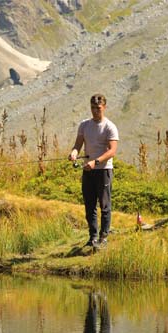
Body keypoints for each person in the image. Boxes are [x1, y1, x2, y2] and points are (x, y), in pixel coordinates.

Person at [69, 94, 119, 248]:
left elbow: (112, 151)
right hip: (88, 170)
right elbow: (77, 145)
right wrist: (74, 153)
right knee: (89, 205)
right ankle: (93, 238)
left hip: (104, 170)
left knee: (104, 205)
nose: (95, 111)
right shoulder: (84, 125)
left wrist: (95, 162)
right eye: (92, 108)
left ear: (104, 107)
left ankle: (104, 237)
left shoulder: (109, 126)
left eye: (98, 108)